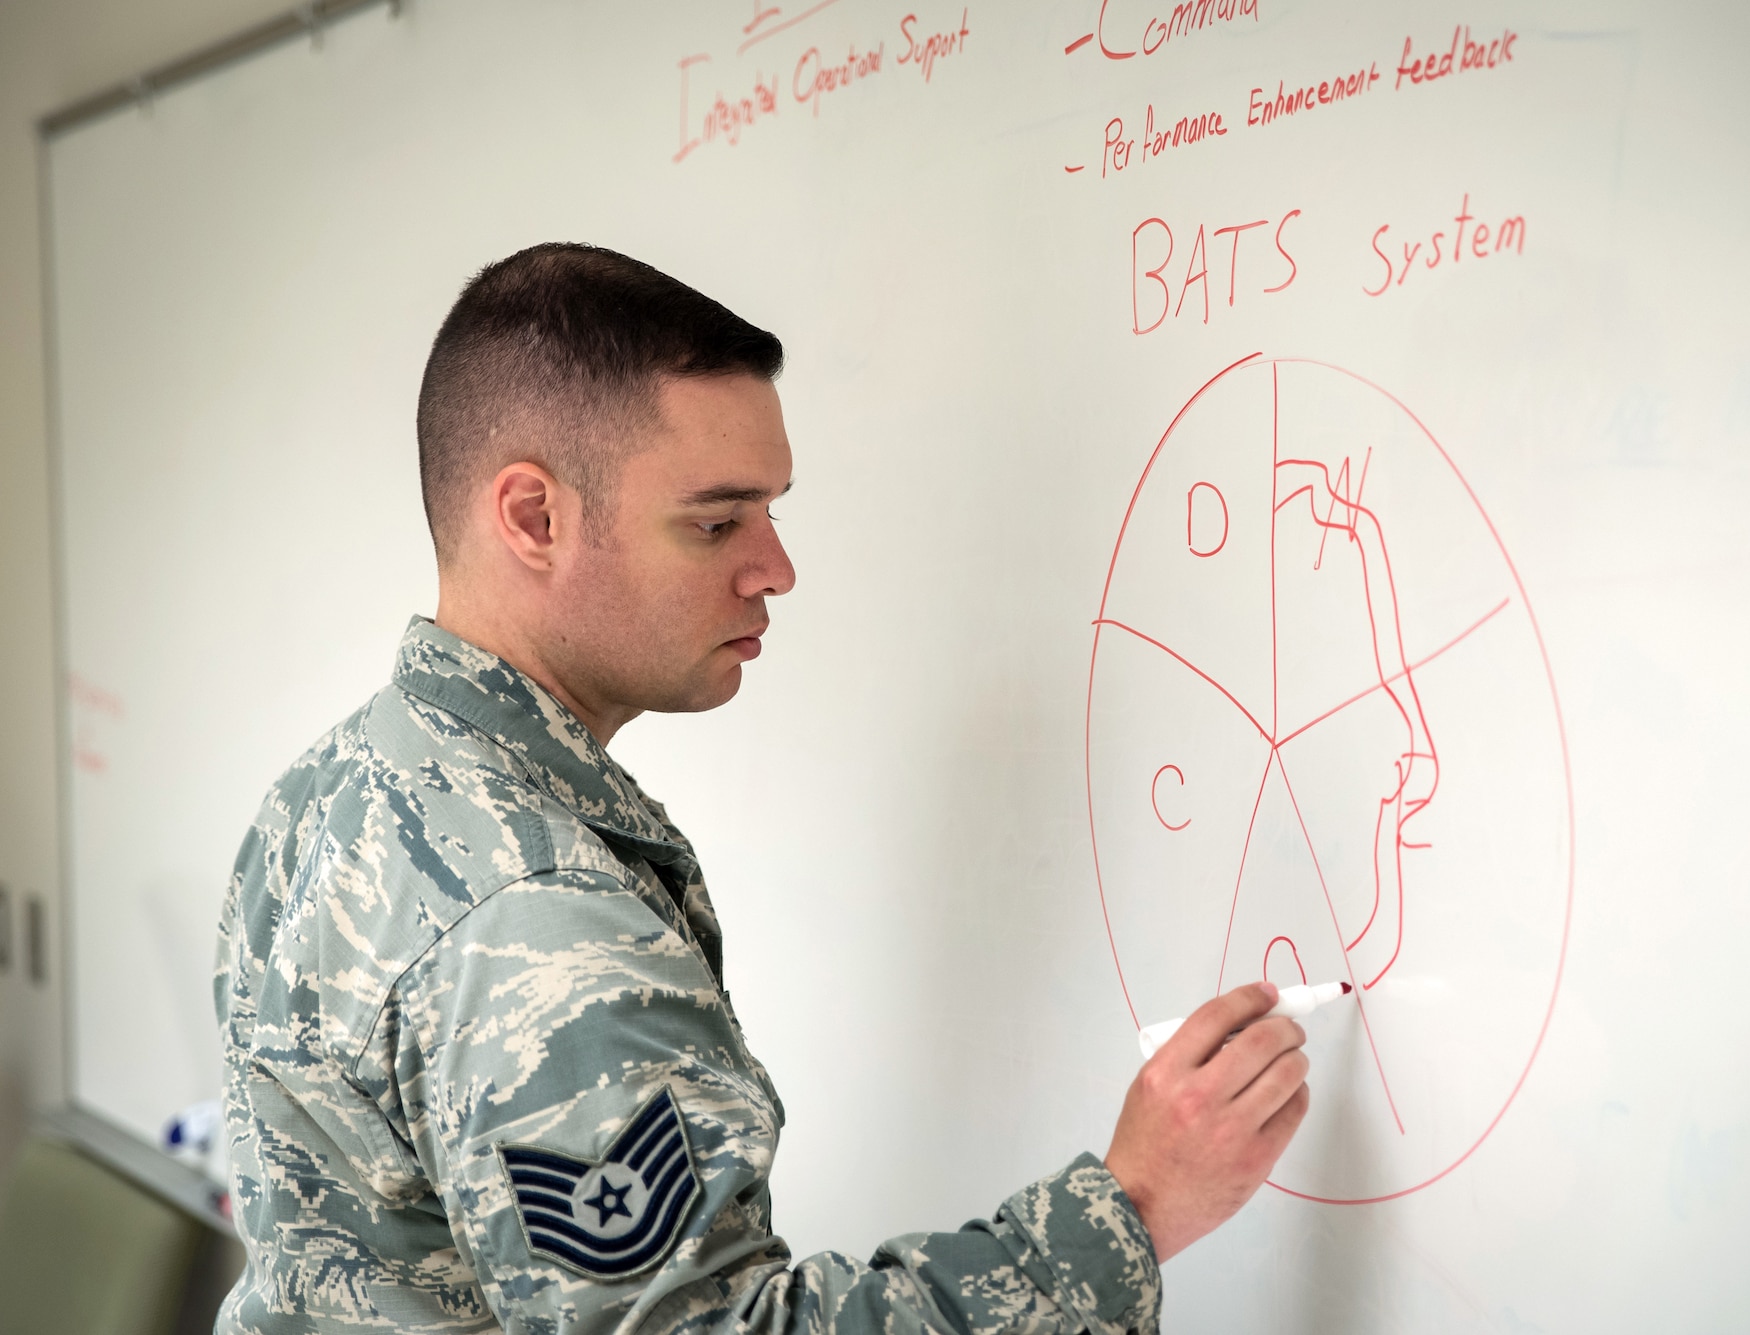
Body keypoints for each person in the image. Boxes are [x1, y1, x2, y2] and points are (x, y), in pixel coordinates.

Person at [213, 243, 1311, 1334]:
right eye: (716, 521)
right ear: (534, 518)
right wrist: (1135, 1209)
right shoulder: (535, 923)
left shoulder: (335, 788)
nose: (774, 566)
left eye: (772, 511)